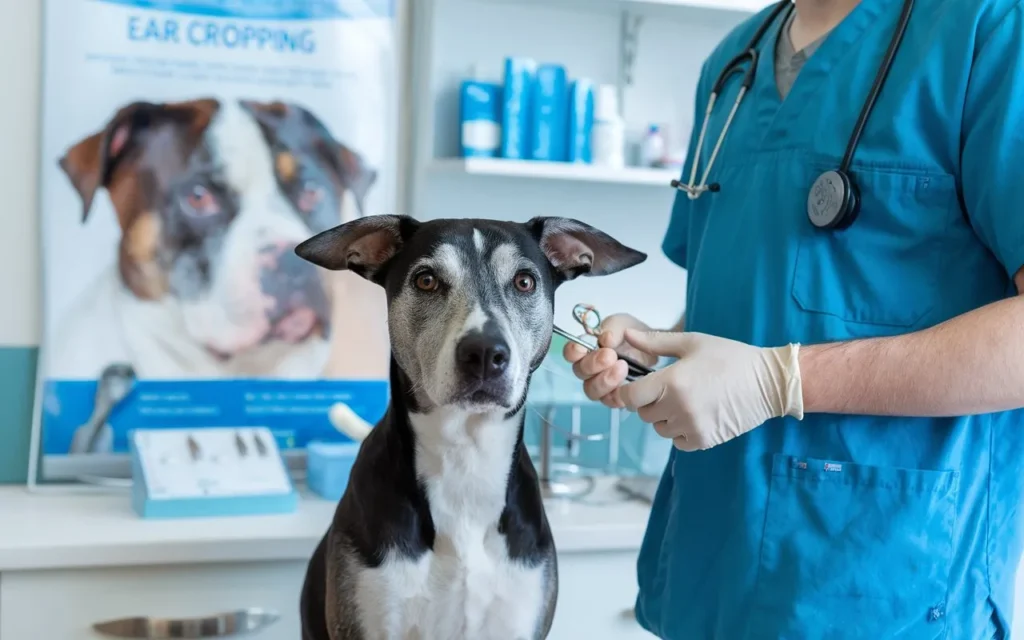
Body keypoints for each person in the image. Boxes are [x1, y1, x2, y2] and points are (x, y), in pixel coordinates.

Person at [562, 0, 1024, 637]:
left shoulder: (988, 29)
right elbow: (753, 296)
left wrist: (782, 380)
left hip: (883, 583)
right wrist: (657, 363)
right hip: (713, 571)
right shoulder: (731, 65)